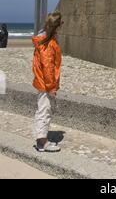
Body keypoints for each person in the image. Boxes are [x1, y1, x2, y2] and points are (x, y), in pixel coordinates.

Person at [32, 11, 63, 152]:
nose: (62, 26)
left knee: (43, 110)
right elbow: (48, 67)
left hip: (43, 83)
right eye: (61, 24)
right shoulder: (48, 43)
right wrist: (51, 87)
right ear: (56, 27)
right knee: (44, 111)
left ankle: (41, 140)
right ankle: (42, 142)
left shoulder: (45, 41)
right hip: (45, 84)